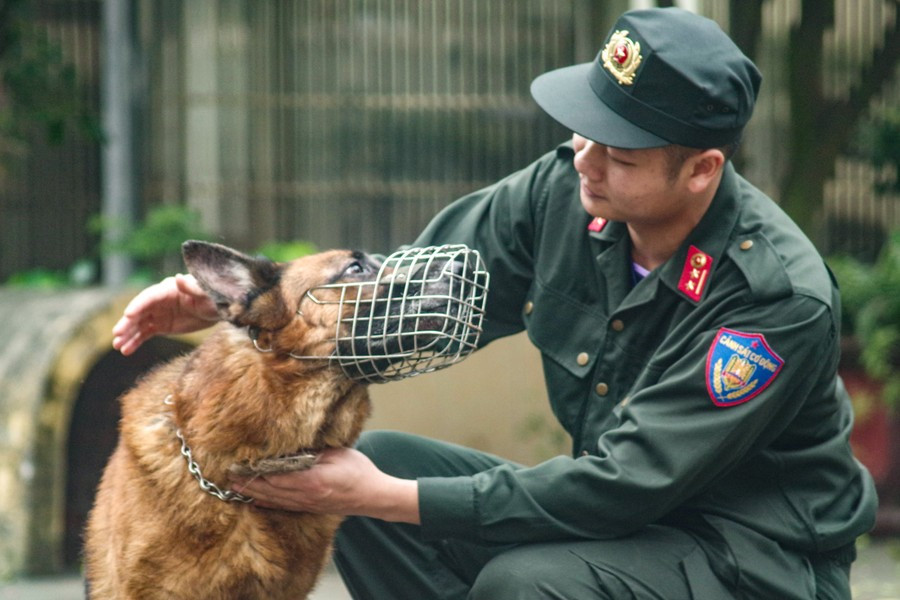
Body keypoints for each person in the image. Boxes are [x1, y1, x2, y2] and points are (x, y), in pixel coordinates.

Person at [112, 8, 876, 599]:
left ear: (702, 171)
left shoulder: (772, 301)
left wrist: (397, 498)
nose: (586, 158)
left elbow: (626, 485)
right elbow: (403, 297)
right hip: (620, 527)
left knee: (522, 578)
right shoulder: (565, 196)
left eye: (620, 151)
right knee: (370, 473)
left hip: (744, 560)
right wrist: (247, 310)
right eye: (586, 130)